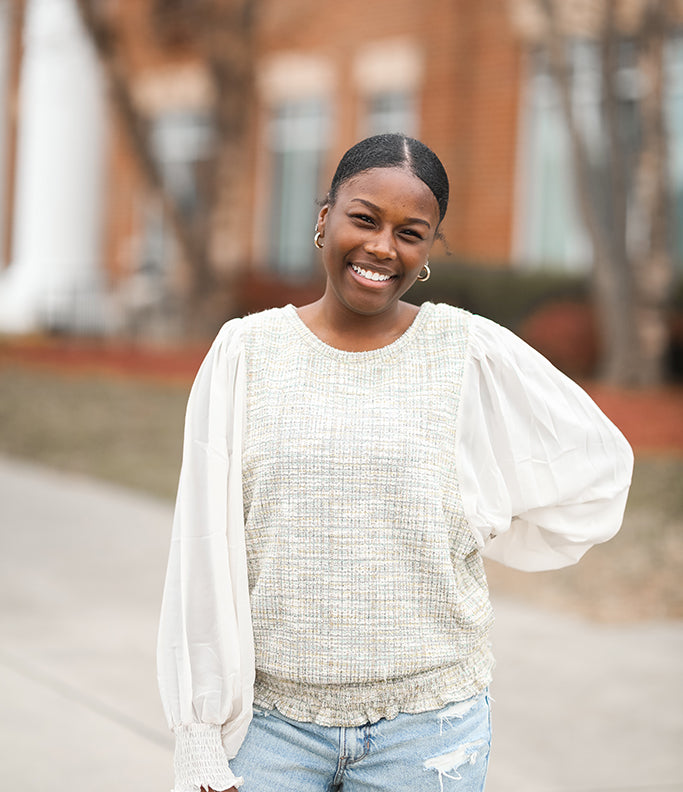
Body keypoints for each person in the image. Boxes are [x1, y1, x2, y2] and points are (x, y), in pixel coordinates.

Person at [157, 133, 633, 792]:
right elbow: (202, 547)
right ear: (324, 219)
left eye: (411, 231)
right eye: (364, 218)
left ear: (430, 248)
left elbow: (597, 467)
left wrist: (477, 519)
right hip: (269, 726)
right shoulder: (244, 353)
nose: (383, 246)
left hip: (428, 731)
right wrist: (198, 730)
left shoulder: (466, 351)